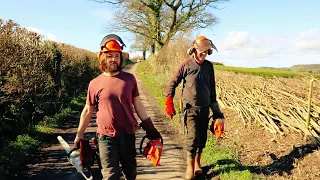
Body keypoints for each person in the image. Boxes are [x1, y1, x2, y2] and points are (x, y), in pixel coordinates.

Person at [74, 34, 162, 180]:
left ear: (121, 57)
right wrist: (79, 134)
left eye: (116, 55)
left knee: (130, 172)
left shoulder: (129, 79)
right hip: (105, 137)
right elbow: (88, 110)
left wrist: (150, 127)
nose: (113, 59)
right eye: (110, 56)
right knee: (110, 175)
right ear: (102, 57)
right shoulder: (94, 83)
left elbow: (138, 104)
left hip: (128, 135)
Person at [164, 36, 225, 179]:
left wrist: (217, 113)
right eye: (201, 51)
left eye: (206, 51)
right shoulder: (186, 65)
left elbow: (212, 92)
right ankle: (189, 166)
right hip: (189, 109)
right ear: (194, 49)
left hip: (204, 109)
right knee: (192, 138)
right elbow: (172, 84)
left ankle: (197, 162)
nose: (203, 54)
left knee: (202, 138)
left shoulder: (209, 67)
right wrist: (169, 103)